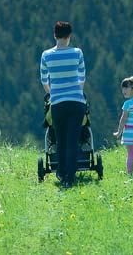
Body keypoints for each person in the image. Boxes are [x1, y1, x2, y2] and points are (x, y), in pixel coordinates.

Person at [40, 21, 86, 188]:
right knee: (73, 139)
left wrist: (53, 93)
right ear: (69, 36)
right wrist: (77, 91)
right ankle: (71, 176)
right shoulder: (77, 53)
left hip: (58, 103)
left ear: (54, 35)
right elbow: (82, 77)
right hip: (77, 102)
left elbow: (44, 80)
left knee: (60, 139)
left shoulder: (46, 55)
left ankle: (61, 172)